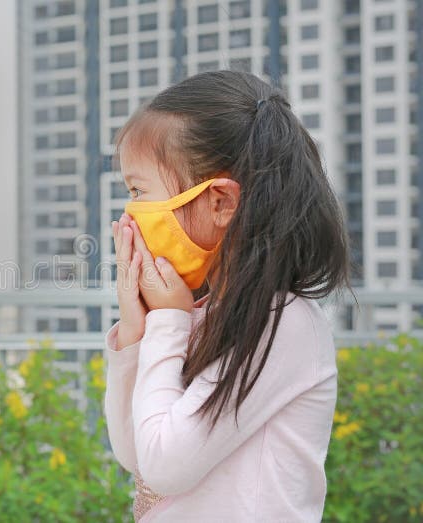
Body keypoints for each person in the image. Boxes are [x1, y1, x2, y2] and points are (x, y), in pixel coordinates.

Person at [103, 70, 354, 522]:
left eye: (139, 191)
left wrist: (166, 322)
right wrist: (138, 332)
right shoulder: (203, 313)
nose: (131, 216)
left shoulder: (282, 323)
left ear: (219, 201)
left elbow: (164, 468)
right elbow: (134, 452)